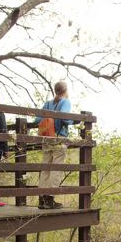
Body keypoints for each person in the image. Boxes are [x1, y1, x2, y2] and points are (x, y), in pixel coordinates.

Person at [35, 81, 73, 209]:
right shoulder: (65, 102)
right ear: (65, 90)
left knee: (45, 169)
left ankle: (41, 199)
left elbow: (37, 120)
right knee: (56, 168)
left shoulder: (48, 103)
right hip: (58, 138)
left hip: (46, 138)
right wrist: (73, 120)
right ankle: (50, 199)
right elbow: (64, 118)